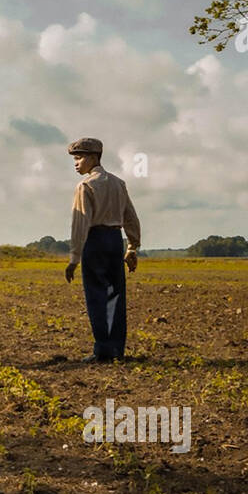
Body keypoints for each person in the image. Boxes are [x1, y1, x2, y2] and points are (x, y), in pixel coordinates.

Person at [63, 137, 141, 362]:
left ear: (94, 158)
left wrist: (74, 257)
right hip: (115, 240)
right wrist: (132, 246)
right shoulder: (119, 183)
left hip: (94, 241)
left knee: (97, 295)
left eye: (79, 158)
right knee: (116, 295)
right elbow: (131, 217)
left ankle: (103, 350)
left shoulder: (85, 186)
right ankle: (117, 349)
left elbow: (81, 223)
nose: (76, 163)